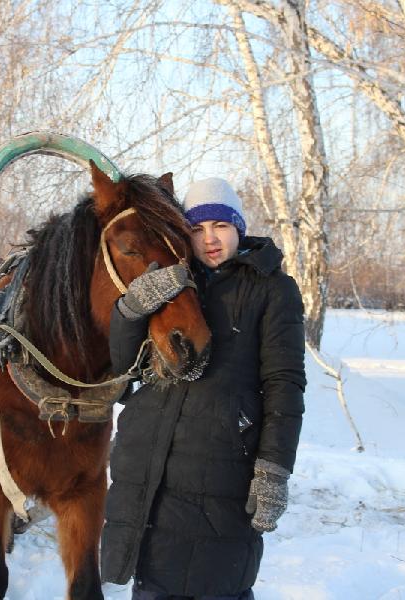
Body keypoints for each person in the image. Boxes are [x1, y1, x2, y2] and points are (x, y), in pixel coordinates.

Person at [101, 178, 306, 599]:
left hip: (224, 469)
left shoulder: (271, 289)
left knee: (219, 582)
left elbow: (284, 384)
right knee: (153, 584)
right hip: (152, 472)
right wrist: (131, 309)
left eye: (221, 225)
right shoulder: (172, 281)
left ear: (239, 228)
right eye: (196, 229)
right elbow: (125, 366)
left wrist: (275, 467)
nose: (209, 239)